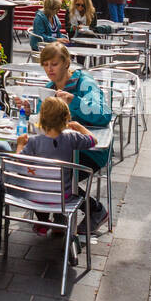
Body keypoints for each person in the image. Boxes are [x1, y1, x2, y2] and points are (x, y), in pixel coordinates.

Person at [37, 41, 111, 228]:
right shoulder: (49, 87)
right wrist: (31, 109)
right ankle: (55, 214)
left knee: (52, 173)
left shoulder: (84, 82)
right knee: (33, 167)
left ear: (66, 63)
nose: (49, 69)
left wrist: (74, 101)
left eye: (54, 64)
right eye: (45, 64)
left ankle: (94, 209)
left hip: (90, 149)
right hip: (59, 149)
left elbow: (103, 115)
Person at [15, 96, 96, 236]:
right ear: (66, 118)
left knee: (37, 186)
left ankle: (42, 222)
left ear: (42, 119)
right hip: (63, 197)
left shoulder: (34, 141)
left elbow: (19, 163)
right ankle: (59, 222)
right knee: (63, 186)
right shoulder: (72, 138)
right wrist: (80, 127)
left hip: (36, 197)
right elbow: (93, 140)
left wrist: (20, 144)